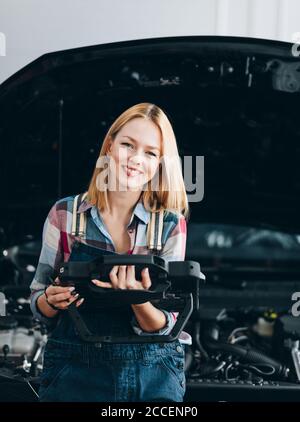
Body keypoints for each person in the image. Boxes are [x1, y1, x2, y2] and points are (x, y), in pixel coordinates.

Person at [30, 102, 191, 402]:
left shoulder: (170, 225)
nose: (135, 159)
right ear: (109, 145)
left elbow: (168, 322)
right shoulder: (65, 215)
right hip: (74, 371)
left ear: (160, 163)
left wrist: (138, 301)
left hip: (153, 374)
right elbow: (39, 303)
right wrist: (50, 300)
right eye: (128, 145)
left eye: (150, 152)